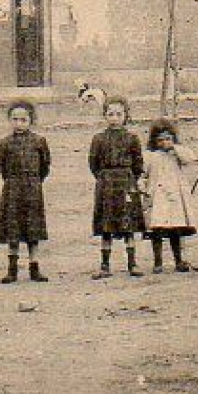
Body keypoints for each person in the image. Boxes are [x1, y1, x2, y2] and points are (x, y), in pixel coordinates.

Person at [87, 95, 145, 279]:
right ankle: (104, 265)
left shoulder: (132, 138)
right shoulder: (98, 139)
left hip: (126, 182)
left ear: (126, 116)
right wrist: (104, 177)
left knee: (128, 224)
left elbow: (138, 164)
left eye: (118, 114)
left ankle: (132, 263)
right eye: (110, 114)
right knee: (106, 225)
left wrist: (130, 179)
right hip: (106, 184)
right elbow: (93, 163)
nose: (114, 118)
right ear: (105, 116)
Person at [0, 100, 51, 284]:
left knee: (33, 230)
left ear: (31, 120)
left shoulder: (39, 141)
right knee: (13, 229)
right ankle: (12, 269)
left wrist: (34, 180)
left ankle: (34, 267)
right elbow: (3, 168)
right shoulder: (5, 143)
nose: (19, 123)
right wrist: (13, 181)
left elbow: (45, 166)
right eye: (15, 119)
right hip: (13, 188)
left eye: (23, 119)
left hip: (33, 188)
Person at [139, 120, 198, 273]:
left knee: (175, 231)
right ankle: (158, 262)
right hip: (157, 197)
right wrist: (142, 186)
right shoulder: (150, 156)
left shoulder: (177, 154)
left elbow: (190, 159)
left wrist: (175, 148)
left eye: (168, 139)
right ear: (154, 141)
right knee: (156, 231)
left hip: (174, 199)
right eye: (160, 140)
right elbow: (142, 174)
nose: (164, 142)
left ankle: (179, 260)